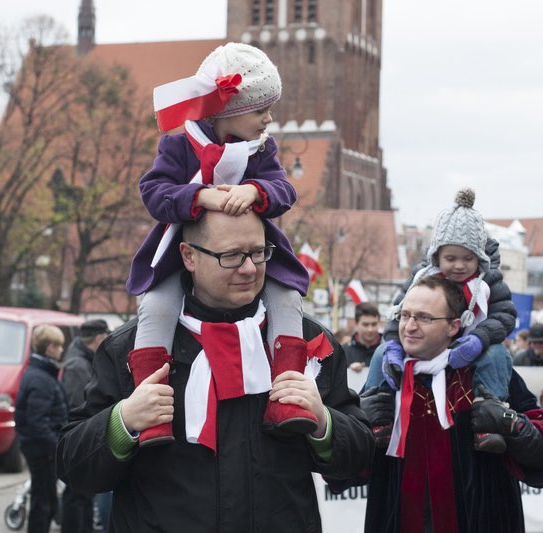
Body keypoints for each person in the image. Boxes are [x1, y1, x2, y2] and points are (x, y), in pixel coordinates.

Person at [56, 210, 374, 533]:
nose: (250, 268)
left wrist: (324, 422)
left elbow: (359, 460)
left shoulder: (307, 343)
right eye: (232, 256)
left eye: (259, 252)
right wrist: (122, 422)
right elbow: (73, 466)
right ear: (189, 256)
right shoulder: (129, 349)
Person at [125, 42, 311, 445]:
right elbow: (153, 193)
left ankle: (288, 396)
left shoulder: (262, 150)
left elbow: (284, 191)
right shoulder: (178, 146)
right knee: (156, 307)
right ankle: (151, 408)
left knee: (288, 301)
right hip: (182, 252)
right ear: (230, 111)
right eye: (261, 110)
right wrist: (199, 197)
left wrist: (256, 191)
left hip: (252, 253)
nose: (269, 119)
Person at [360, 276, 543, 532]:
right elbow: (344, 473)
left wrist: (512, 425)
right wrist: (359, 430)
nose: (409, 326)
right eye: (404, 315)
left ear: (454, 326)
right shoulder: (387, 375)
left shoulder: (486, 372)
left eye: (424, 317)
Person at [365, 188, 517, 453]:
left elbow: (505, 316)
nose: (459, 265)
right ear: (437, 256)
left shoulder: (489, 281)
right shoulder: (421, 279)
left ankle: (489, 420)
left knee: (497, 355)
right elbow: (397, 313)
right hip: (428, 348)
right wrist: (392, 343)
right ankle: (376, 416)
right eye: (450, 258)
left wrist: (478, 340)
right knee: (380, 353)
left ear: (479, 258)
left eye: (467, 258)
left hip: (470, 349)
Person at [59, 319, 111, 533]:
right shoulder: (77, 365)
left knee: (84, 496)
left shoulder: (83, 360)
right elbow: (78, 410)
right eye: (107, 336)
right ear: (99, 337)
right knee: (76, 497)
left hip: (84, 441)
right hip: (80, 442)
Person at [16, 325, 68, 533]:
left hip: (41, 449)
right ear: (49, 348)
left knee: (45, 500)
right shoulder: (41, 378)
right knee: (43, 504)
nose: (62, 350)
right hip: (43, 451)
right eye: (59, 346)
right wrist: (57, 448)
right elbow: (38, 422)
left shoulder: (40, 373)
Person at [344, 302, 382, 372]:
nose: (370, 329)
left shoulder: (387, 349)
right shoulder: (344, 352)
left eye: (374, 324)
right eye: (365, 325)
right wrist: (348, 371)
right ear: (356, 324)